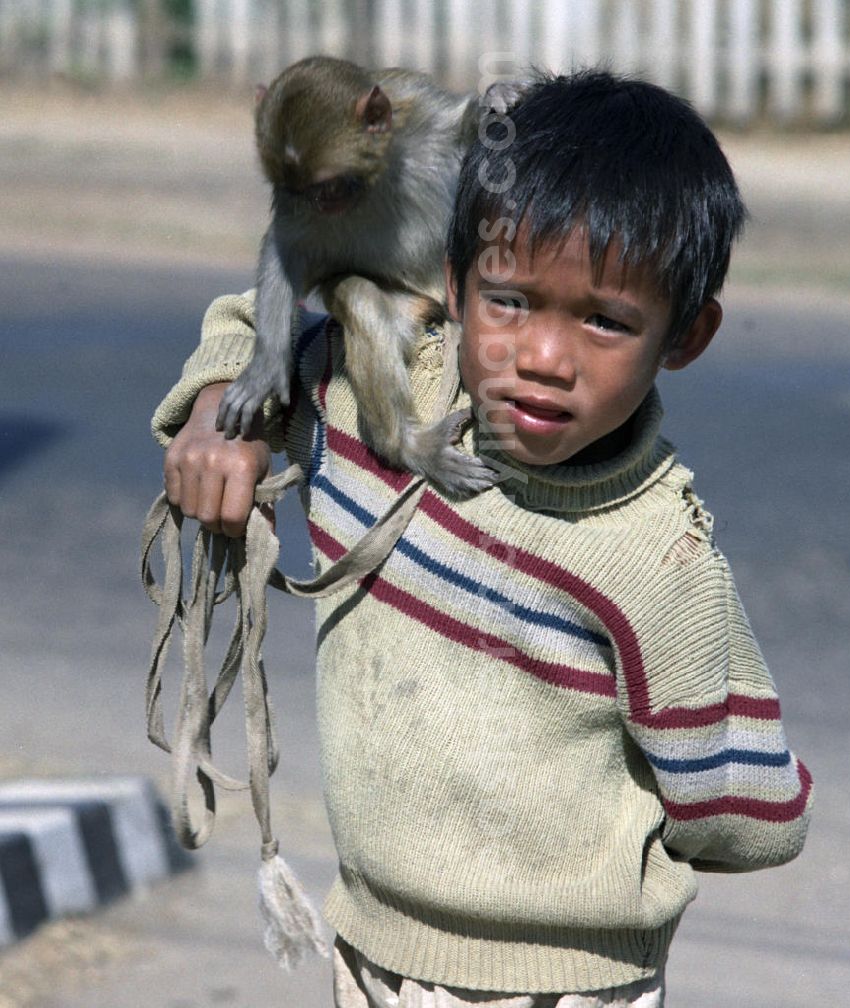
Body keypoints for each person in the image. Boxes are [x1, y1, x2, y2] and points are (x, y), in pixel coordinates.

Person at [154, 69, 813, 1006]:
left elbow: (750, 816)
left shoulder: (656, 559)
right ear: (448, 288)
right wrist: (220, 412)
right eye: (508, 302)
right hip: (367, 955)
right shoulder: (380, 407)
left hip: (566, 988)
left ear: (686, 335)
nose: (543, 356)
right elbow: (259, 324)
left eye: (604, 319)